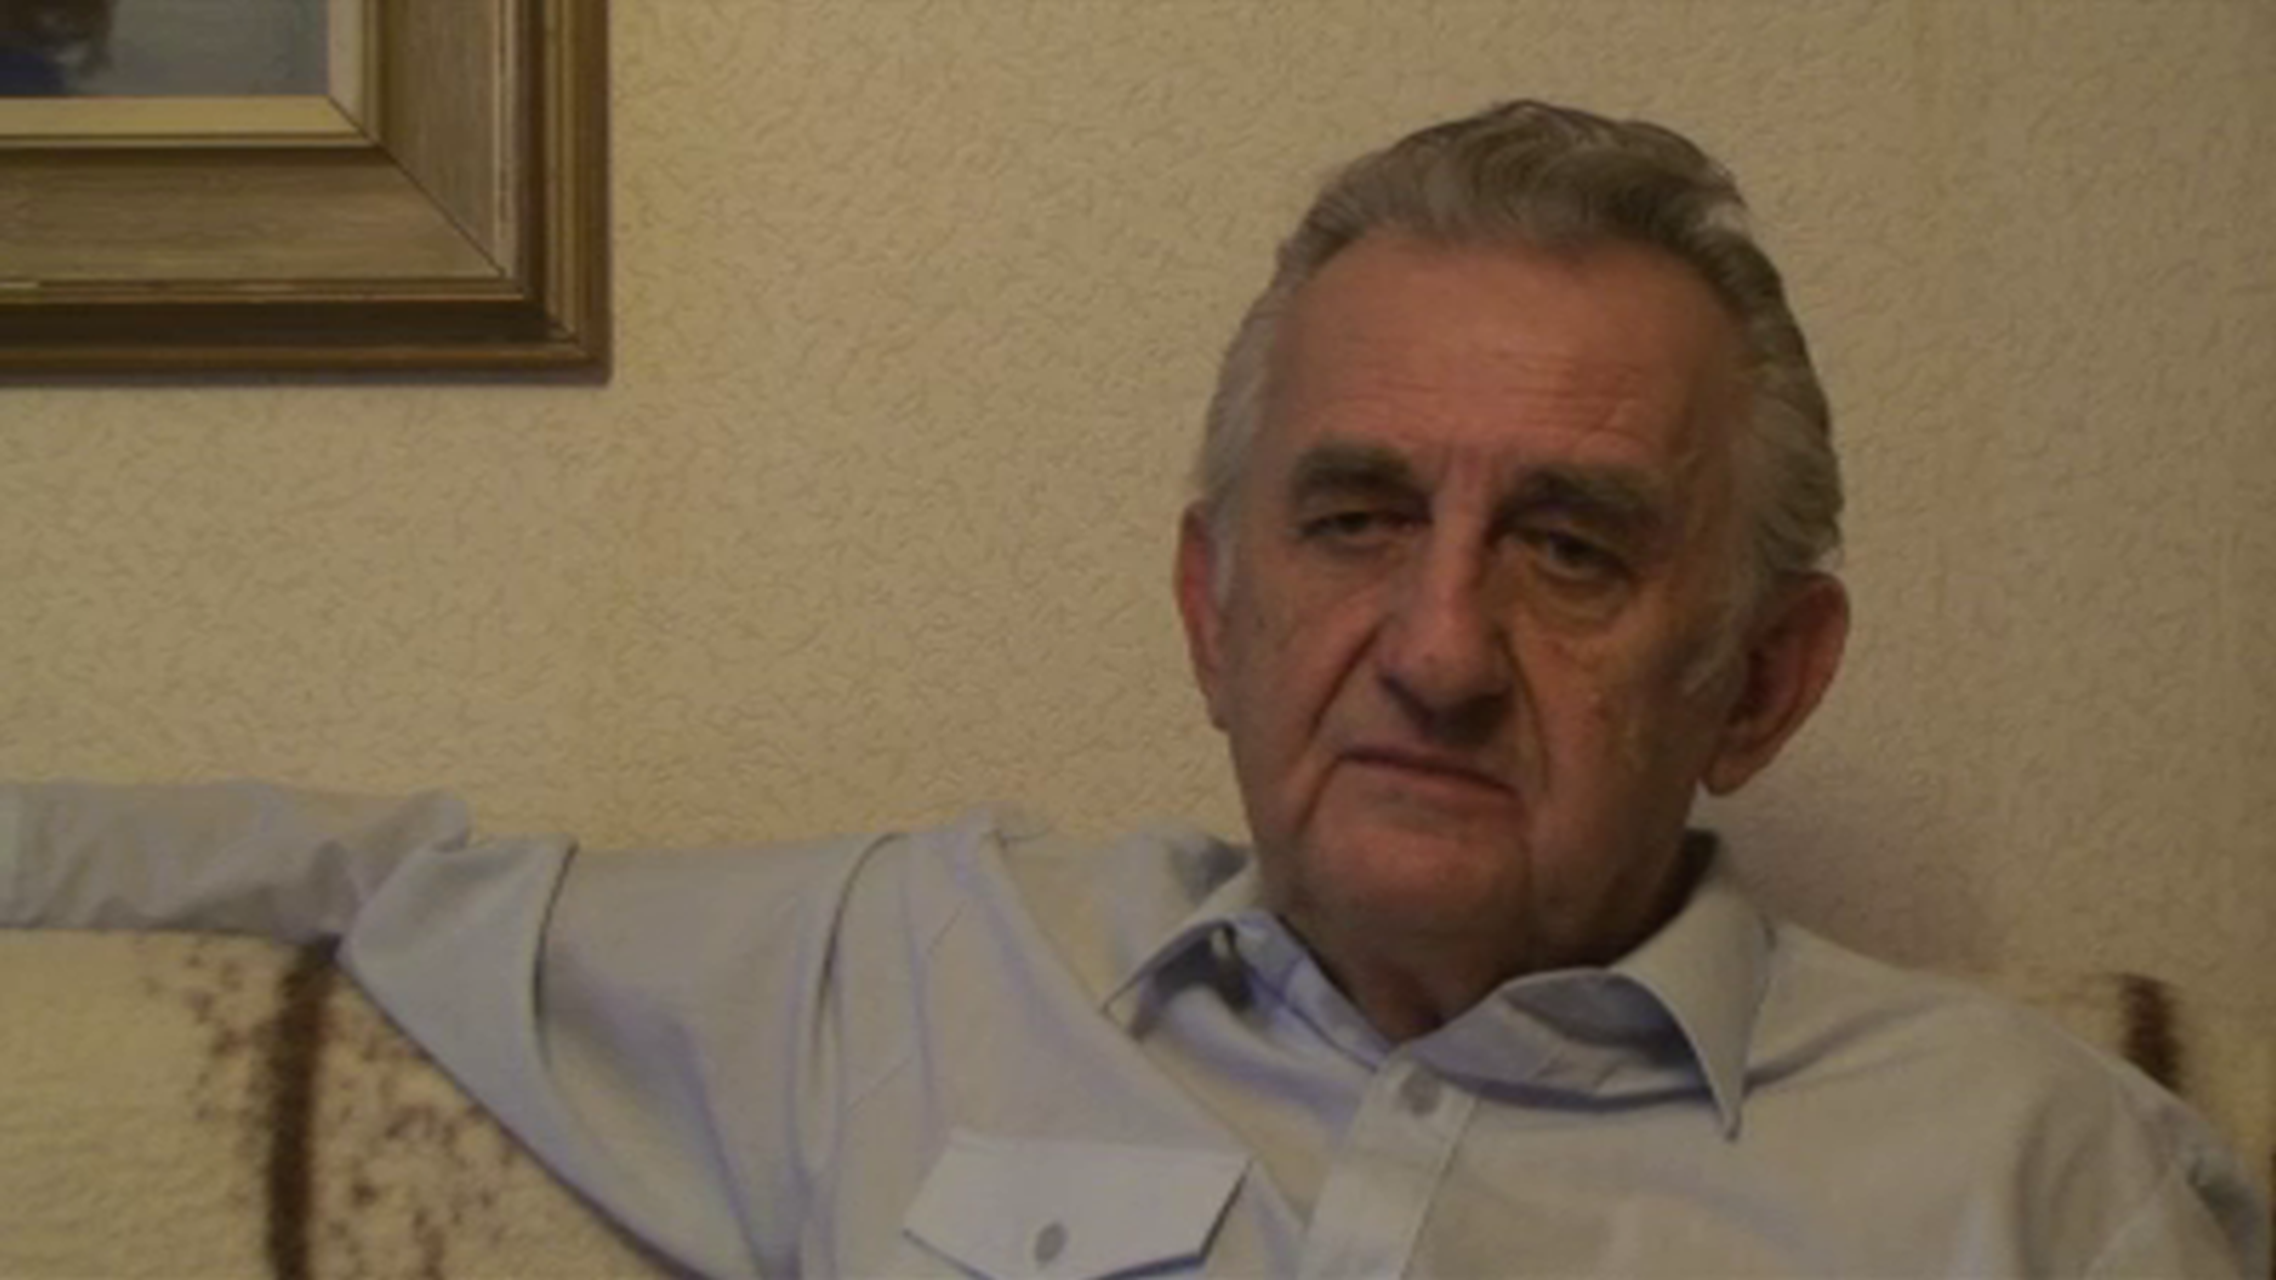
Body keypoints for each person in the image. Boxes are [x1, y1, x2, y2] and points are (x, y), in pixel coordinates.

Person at [2, 100, 2265, 1278]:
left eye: (1571, 547)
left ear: (1760, 679)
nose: (1440, 649)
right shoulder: (904, 974)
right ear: (1209, 606)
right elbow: (364, 885)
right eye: (1354, 516)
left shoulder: (2031, 1174)